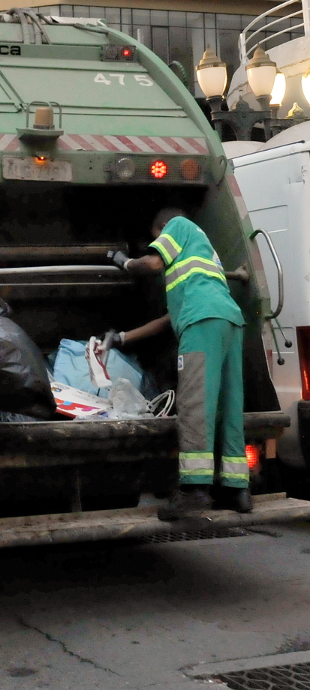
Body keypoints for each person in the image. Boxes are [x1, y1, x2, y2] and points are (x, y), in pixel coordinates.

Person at [104, 207, 251, 519]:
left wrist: (126, 262)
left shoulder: (179, 225)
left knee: (195, 403)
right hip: (229, 321)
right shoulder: (201, 259)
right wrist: (121, 338)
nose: (159, 244)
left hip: (202, 323)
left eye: (158, 238)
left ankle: (195, 491)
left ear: (163, 229)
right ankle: (237, 490)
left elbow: (153, 262)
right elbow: (167, 320)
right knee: (228, 405)